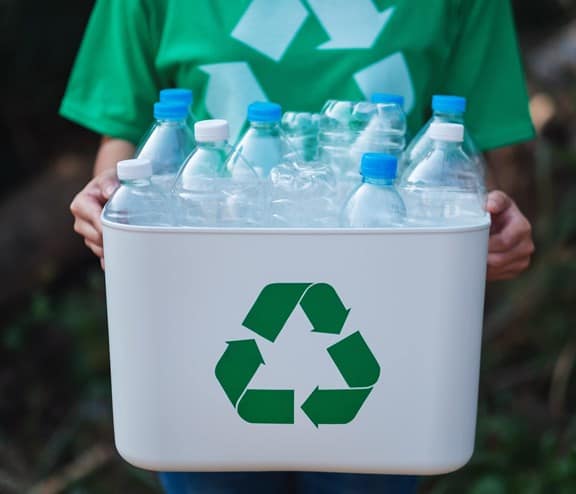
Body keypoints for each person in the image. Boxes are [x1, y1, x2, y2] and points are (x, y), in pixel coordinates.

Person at [61, 0, 535, 492]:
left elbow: (472, 161)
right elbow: (123, 137)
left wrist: (492, 232)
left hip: (387, 314)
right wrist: (112, 202)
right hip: (199, 314)